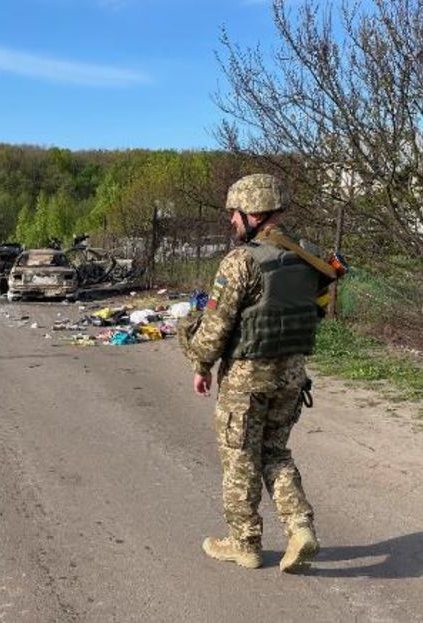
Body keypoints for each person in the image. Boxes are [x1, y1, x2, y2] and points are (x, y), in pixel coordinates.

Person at [182, 173, 336, 574]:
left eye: (234, 213)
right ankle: (300, 527)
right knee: (276, 453)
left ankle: (244, 543)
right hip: (291, 377)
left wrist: (199, 363)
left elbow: (215, 330)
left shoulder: (240, 262)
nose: (232, 221)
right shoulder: (309, 255)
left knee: (240, 460)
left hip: (246, 382)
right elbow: (315, 309)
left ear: (253, 213)